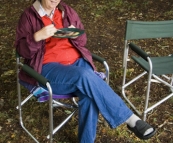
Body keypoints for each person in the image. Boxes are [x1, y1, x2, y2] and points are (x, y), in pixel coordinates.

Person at [15, 0, 156, 142]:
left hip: (77, 63)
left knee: (89, 95)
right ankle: (130, 118)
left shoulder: (67, 11)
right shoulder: (29, 16)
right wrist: (36, 36)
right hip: (48, 68)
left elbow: (82, 41)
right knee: (85, 76)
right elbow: (21, 51)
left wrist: (75, 34)